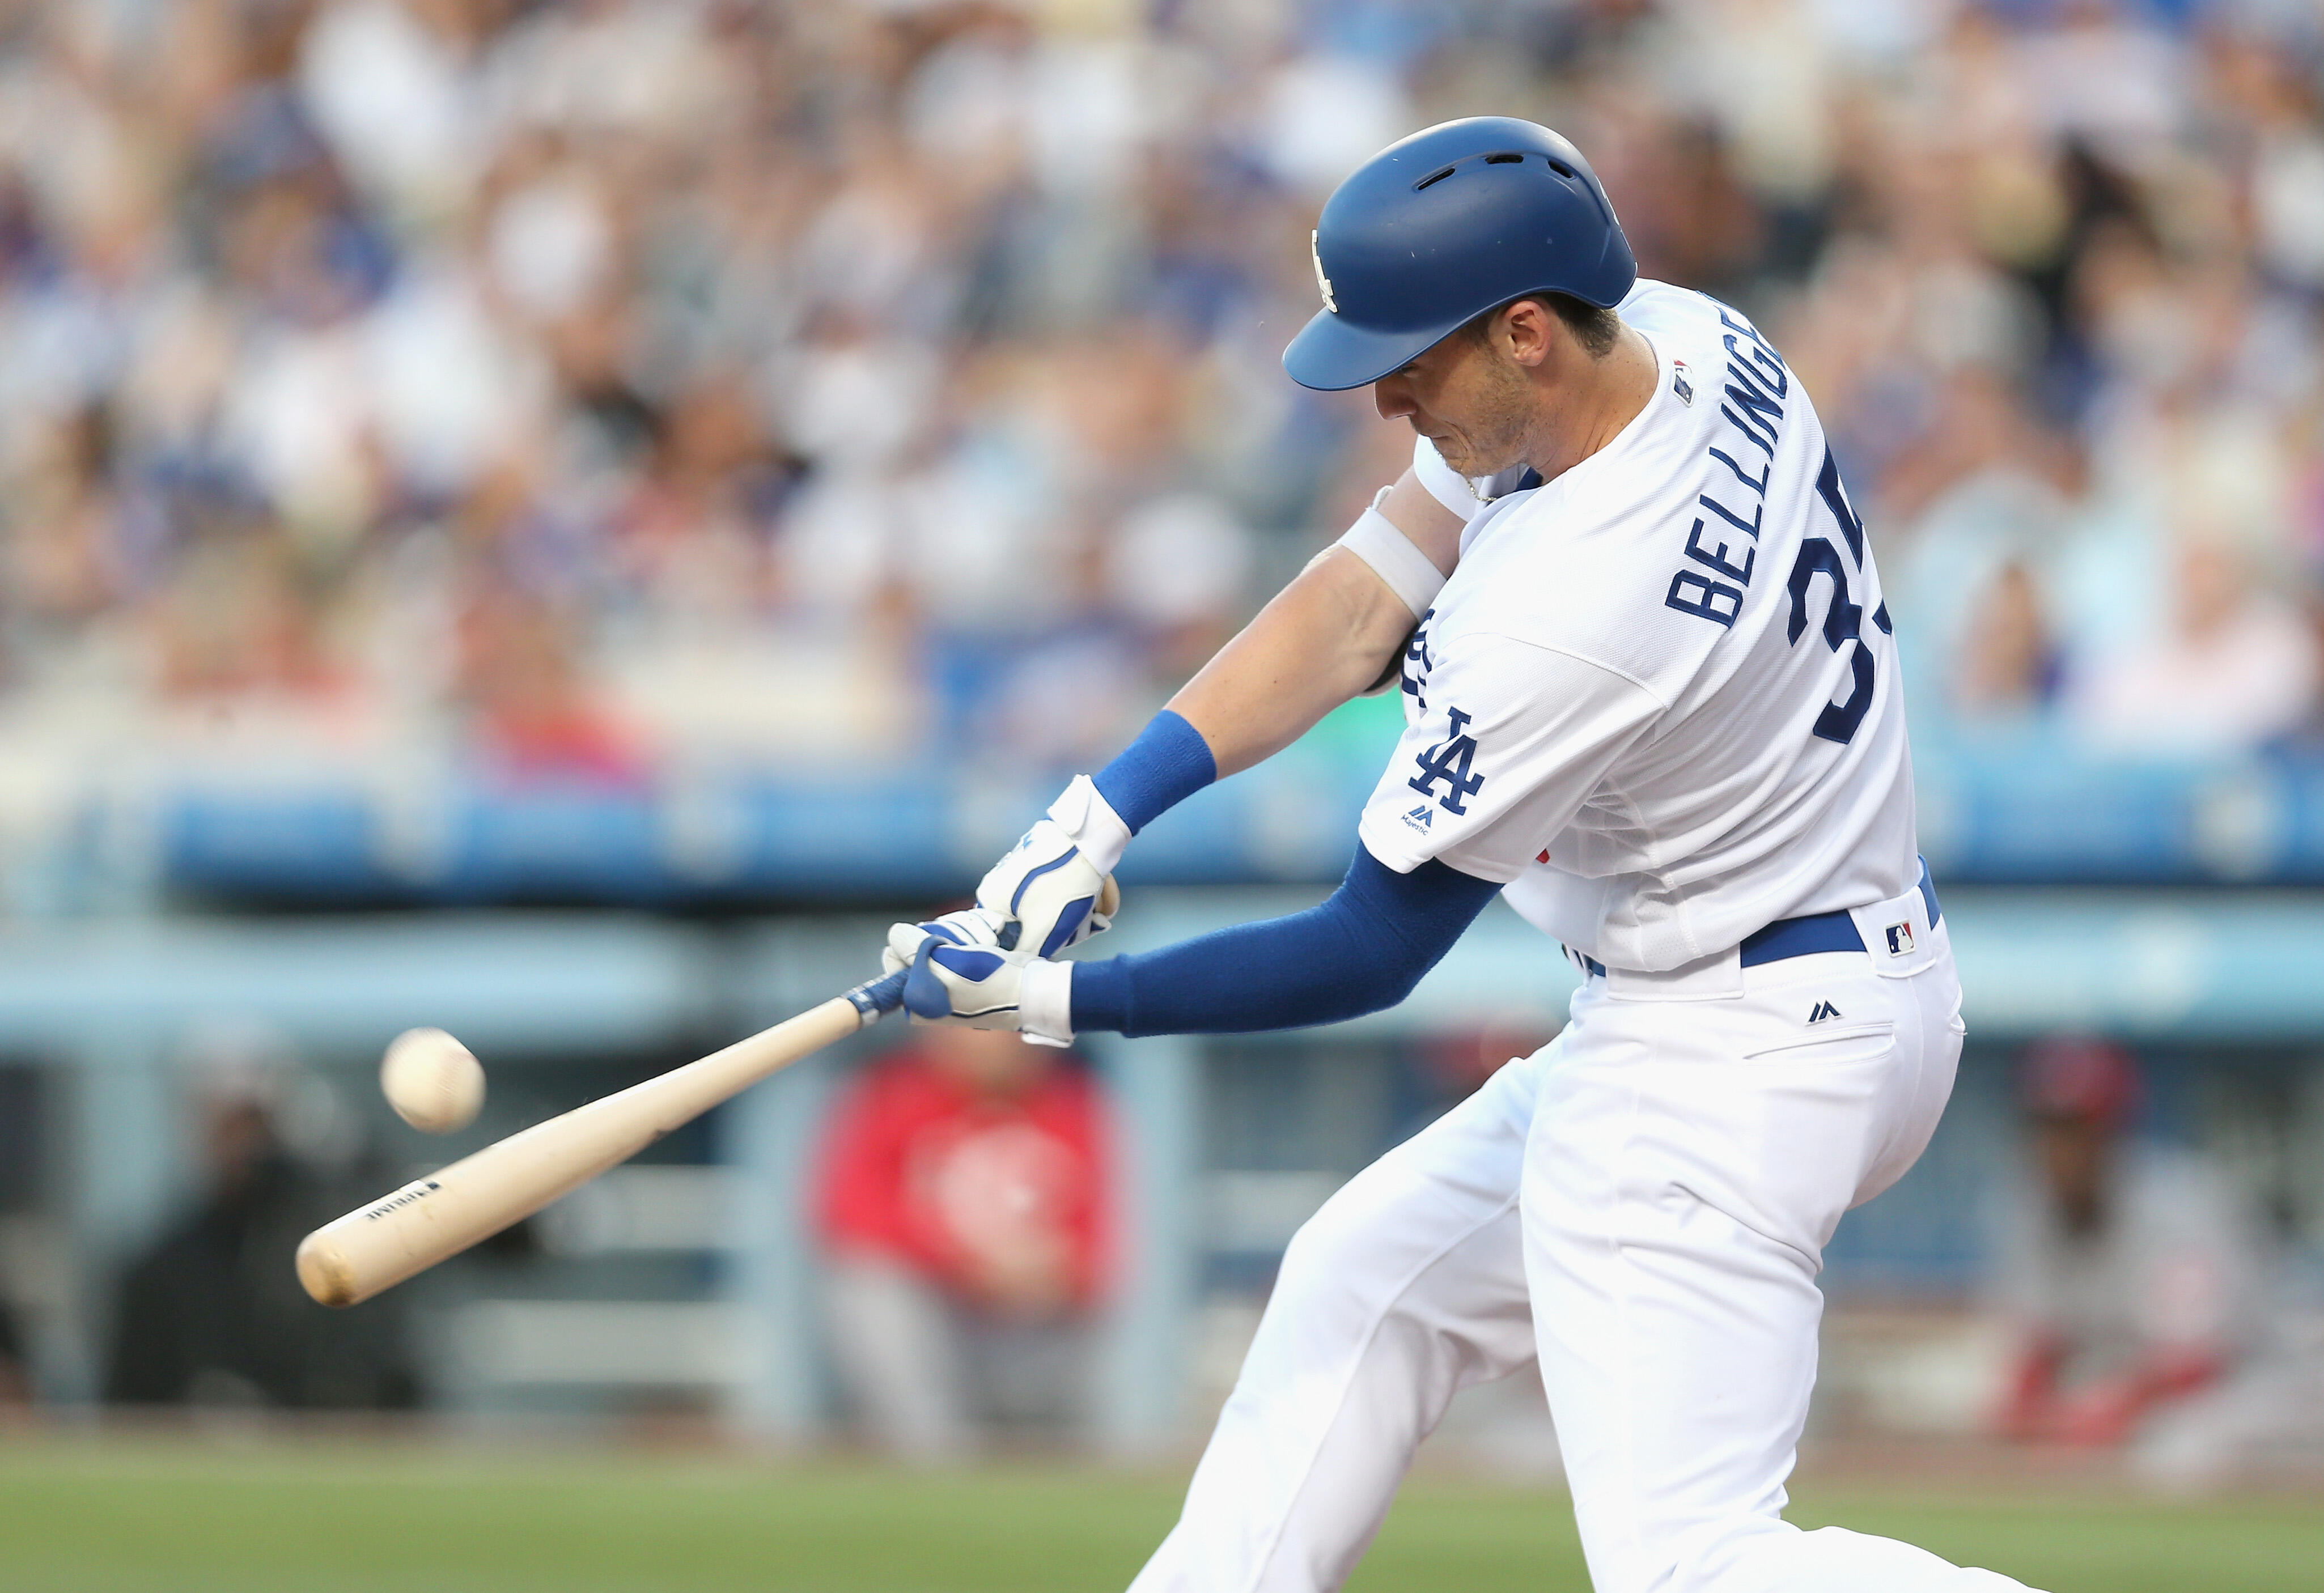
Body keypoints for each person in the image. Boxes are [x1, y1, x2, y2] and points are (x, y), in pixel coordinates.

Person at [883, 118, 2035, 1591]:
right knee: (1361, 1285)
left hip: (1723, 1052)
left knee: (1689, 1564)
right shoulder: (1686, 335)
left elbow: (1370, 947)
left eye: (1411, 357)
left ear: (1526, 333)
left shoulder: (1568, 606)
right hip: (1826, 975)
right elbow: (1362, 594)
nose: (1382, 395)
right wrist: (1099, 810)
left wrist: (1048, 1009)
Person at [813, 1022, 1112, 1460]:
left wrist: (1056, 1269)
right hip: (938, 1316)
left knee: (1142, 1296)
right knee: (866, 1289)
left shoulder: (1074, 1102)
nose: (987, 1041)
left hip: (1044, 1327)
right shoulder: (894, 1094)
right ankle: (934, 1464)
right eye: (972, 1025)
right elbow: (849, 1216)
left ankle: (1123, 1454)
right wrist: (964, 1261)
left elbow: (1108, 1235)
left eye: (1002, 1026)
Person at [1992, 1038, 2263, 1452]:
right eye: (2047, 1129)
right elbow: (2040, 1346)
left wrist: (2111, 1409)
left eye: (2075, 1130)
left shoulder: (2180, 1209)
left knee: (2179, 1447)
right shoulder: (2029, 1207)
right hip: (2129, 1385)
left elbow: (2198, 1363)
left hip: (2258, 1380)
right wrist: (2023, 1408)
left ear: (2112, 1133)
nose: (2059, 1150)